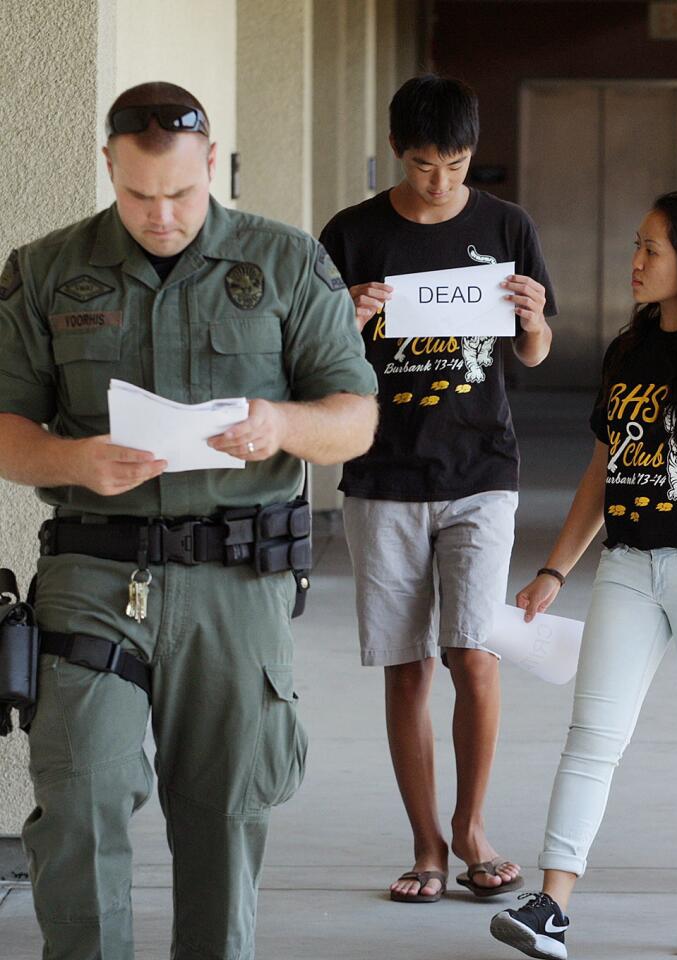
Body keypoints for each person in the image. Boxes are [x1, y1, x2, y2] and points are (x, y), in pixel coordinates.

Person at [0, 83, 378, 959]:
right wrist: (73, 460)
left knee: (222, 812)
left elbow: (355, 417)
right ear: (108, 168)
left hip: (235, 579)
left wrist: (281, 425)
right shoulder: (48, 269)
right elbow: (9, 429)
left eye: (179, 193)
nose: (160, 215)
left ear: (212, 163)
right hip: (94, 574)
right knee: (81, 793)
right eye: (137, 195)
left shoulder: (285, 264)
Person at [489, 192, 677, 959]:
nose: (636, 263)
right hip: (629, 562)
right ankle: (551, 904)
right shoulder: (628, 349)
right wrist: (556, 566)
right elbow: (603, 464)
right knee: (592, 737)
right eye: (636, 245)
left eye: (652, 249)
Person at [318, 74, 555, 903]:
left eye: (457, 165)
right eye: (425, 165)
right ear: (397, 153)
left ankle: (471, 826)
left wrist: (531, 319)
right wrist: (343, 319)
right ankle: (424, 844)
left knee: (474, 653)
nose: (443, 182)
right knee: (407, 666)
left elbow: (534, 352)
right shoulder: (352, 233)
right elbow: (310, 362)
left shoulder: (506, 225)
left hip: (482, 468)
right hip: (382, 472)